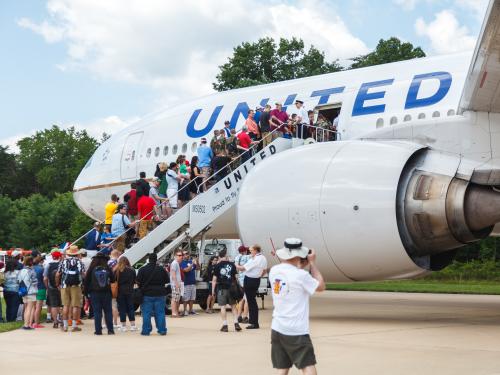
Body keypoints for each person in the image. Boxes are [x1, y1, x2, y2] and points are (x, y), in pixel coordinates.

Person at [269, 238, 325, 374]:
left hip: (277, 327)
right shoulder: (301, 275)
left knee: (282, 367)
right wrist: (312, 263)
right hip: (296, 330)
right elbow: (321, 286)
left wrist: (301, 265)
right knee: (307, 364)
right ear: (298, 255)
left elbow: (290, 272)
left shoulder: (274, 270)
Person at [137, 253, 169, 336]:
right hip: (160, 293)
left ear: (148, 259)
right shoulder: (161, 269)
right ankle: (162, 330)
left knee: (146, 313)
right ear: (156, 259)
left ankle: (146, 331)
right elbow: (167, 280)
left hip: (147, 294)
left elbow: (138, 281)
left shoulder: (142, 269)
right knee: (160, 313)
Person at [83, 252, 115, 335]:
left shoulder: (91, 269)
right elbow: (113, 280)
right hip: (106, 292)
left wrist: (86, 293)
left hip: (94, 293)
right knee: (108, 311)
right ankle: (110, 330)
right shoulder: (107, 268)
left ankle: (98, 330)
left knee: (97, 312)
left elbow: (86, 282)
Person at [236, 244, 267, 329]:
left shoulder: (256, 259)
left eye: (251, 250)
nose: (250, 252)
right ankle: (253, 321)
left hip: (250, 280)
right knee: (251, 301)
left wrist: (236, 265)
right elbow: (264, 270)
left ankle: (254, 322)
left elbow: (243, 268)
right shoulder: (263, 258)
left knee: (251, 302)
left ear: (256, 250)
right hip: (256, 280)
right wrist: (258, 276)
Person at [212, 248, 242, 332]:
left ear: (219, 256)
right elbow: (236, 277)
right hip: (232, 288)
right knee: (233, 306)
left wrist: (213, 291)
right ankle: (236, 323)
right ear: (225, 255)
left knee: (223, 307)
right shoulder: (232, 265)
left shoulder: (217, 266)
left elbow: (214, 280)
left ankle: (225, 325)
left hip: (222, 289)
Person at [57, 245, 85, 332]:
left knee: (65, 305)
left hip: (64, 285)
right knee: (75, 305)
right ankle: (74, 326)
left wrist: (57, 284)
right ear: (77, 254)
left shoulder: (63, 261)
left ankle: (65, 326)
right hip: (76, 286)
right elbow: (83, 274)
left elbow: (58, 274)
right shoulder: (80, 262)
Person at [114, 256, 137, 332]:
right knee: (130, 308)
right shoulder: (132, 270)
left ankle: (123, 326)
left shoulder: (117, 270)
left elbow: (113, 280)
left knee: (122, 308)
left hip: (120, 291)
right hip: (130, 290)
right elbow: (134, 281)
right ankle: (133, 325)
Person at [44, 249, 63, 328]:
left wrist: (47, 287)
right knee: (62, 304)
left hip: (51, 287)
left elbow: (45, 278)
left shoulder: (48, 265)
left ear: (52, 256)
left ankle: (55, 322)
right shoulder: (62, 264)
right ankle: (61, 319)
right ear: (60, 256)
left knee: (53, 305)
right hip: (61, 287)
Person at [18, 256, 38, 330]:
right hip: (31, 291)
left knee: (26, 308)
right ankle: (27, 325)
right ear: (31, 262)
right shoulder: (31, 271)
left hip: (23, 291)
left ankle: (25, 324)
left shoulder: (21, 270)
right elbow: (35, 282)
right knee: (29, 308)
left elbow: (18, 281)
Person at [235, 245, 250, 323]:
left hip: (240, 280)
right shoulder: (247, 257)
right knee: (247, 299)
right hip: (246, 279)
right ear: (244, 251)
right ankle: (245, 316)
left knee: (241, 299)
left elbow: (237, 269)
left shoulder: (237, 258)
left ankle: (238, 316)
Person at [181, 251, 199, 316]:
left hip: (193, 283)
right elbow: (185, 270)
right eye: (185, 254)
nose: (187, 255)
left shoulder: (191, 261)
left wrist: (197, 261)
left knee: (192, 298)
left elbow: (197, 268)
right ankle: (185, 310)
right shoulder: (182, 262)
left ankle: (191, 310)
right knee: (186, 298)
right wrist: (192, 264)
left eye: (187, 254)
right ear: (183, 256)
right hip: (186, 283)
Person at [32, 255, 46, 328]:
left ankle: (32, 321)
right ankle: (36, 323)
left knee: (33, 307)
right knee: (38, 307)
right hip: (40, 288)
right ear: (40, 261)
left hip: (32, 289)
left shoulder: (30, 269)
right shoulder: (41, 269)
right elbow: (44, 279)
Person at [169, 250, 183, 318]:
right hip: (175, 284)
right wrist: (176, 283)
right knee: (174, 298)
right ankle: (174, 313)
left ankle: (176, 312)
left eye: (181, 255)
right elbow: (173, 274)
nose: (181, 257)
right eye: (179, 255)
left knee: (177, 298)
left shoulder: (176, 263)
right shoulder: (174, 263)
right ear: (175, 256)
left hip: (177, 283)